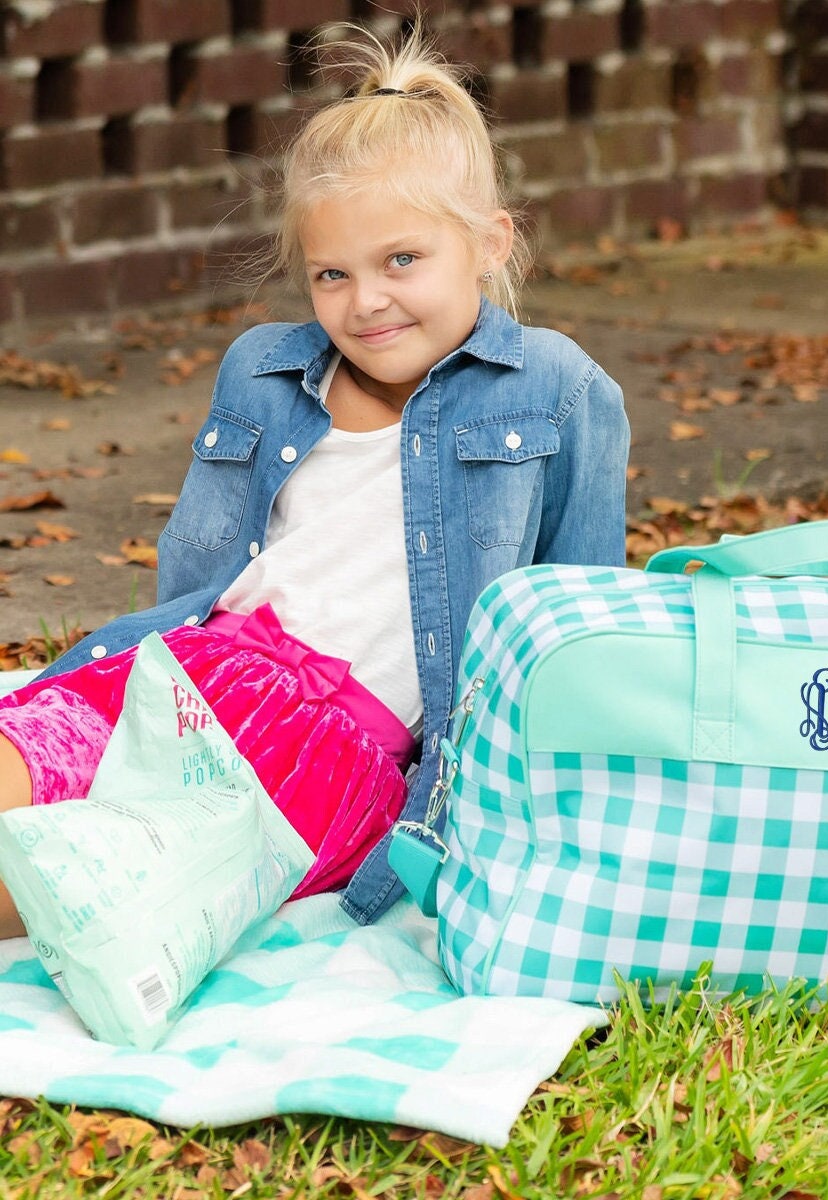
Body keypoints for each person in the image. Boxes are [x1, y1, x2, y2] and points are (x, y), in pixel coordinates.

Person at [0, 23, 629, 936]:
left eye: (401, 261)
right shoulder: (264, 371)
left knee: (89, 875)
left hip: (334, 741)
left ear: (490, 242)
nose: (365, 301)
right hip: (196, 667)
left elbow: (582, 624)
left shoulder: (559, 390)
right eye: (332, 273)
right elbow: (199, 568)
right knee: (27, 751)